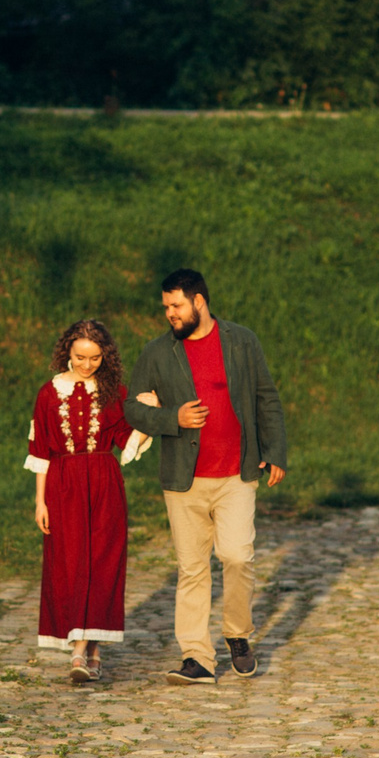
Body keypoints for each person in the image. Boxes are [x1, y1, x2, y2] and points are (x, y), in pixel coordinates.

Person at [121, 269, 289, 683]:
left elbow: (265, 396)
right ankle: (197, 656)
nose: (170, 315)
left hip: (237, 473)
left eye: (176, 306)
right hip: (184, 478)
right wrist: (170, 418)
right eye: (165, 308)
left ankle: (237, 635)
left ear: (199, 302)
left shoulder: (242, 341)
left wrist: (275, 451)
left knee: (236, 556)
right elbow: (131, 408)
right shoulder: (157, 352)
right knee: (192, 568)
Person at [25, 319, 142, 685]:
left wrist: (147, 409)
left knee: (102, 561)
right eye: (79, 357)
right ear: (67, 352)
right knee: (70, 561)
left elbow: (126, 437)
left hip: (104, 483)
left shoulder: (114, 393)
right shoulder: (49, 393)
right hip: (63, 485)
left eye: (94, 358)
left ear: (105, 358)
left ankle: (90, 647)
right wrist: (40, 502)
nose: (86, 365)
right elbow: (40, 449)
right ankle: (80, 648)